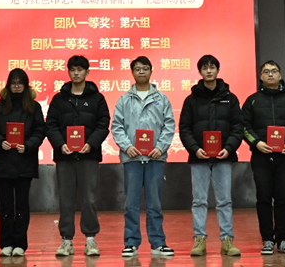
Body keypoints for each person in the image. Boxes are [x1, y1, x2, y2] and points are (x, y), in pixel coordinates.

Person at [178, 55, 244, 256]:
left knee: (224, 200)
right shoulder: (191, 100)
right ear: (200, 71)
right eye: (205, 68)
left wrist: (229, 148)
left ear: (217, 70)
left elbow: (237, 127)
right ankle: (199, 240)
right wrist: (194, 148)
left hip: (223, 157)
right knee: (199, 200)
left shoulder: (230, 98)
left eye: (212, 67)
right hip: (199, 157)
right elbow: (184, 128)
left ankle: (227, 240)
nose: (209, 71)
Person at [111, 56, 176, 258]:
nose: (141, 72)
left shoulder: (162, 98)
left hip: (155, 158)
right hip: (132, 159)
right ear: (132, 72)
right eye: (138, 69)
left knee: (155, 203)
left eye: (145, 68)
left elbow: (169, 125)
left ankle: (158, 243)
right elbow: (117, 126)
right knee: (131, 204)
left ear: (151, 71)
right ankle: (131, 243)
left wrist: (160, 147)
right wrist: (127, 146)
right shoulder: (124, 100)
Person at [45, 56, 110, 257]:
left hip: (89, 157)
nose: (76, 73)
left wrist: (91, 143)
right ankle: (66, 240)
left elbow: (103, 124)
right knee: (66, 200)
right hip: (65, 157)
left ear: (87, 72)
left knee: (89, 199)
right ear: (68, 72)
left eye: (80, 69)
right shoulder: (59, 99)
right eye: (73, 69)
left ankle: (90, 239)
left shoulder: (97, 98)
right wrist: (60, 144)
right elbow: (51, 125)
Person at [241, 60, 285, 255]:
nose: (270, 74)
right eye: (266, 71)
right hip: (261, 158)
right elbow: (244, 126)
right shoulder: (252, 101)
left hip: (284, 158)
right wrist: (256, 143)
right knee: (263, 198)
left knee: (283, 198)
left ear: (280, 75)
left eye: (274, 71)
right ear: (261, 76)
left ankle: (283, 239)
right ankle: (267, 240)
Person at [0, 69, 46, 257]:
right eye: (13, 83)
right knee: (5, 205)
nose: (17, 86)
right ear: (8, 85)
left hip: (25, 161)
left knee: (22, 205)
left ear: (26, 85)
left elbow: (40, 131)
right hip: (3, 162)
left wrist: (28, 146)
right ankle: (6, 243)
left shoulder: (34, 107)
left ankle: (20, 244)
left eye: (20, 83)